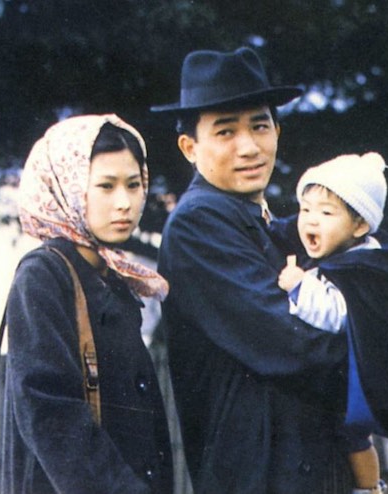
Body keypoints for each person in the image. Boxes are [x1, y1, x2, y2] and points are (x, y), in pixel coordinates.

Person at [151, 46, 354, 493]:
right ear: (189, 147)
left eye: (260, 125)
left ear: (277, 131)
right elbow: (289, 343)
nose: (248, 147)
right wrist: (384, 365)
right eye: (225, 131)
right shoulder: (197, 224)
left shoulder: (262, 220)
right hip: (257, 477)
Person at [1, 114, 174, 494]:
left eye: (133, 185)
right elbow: (49, 410)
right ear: (68, 188)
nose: (124, 203)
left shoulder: (109, 272)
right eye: (106, 187)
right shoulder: (44, 274)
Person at [276, 152, 388, 494]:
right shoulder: (359, 255)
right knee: (354, 437)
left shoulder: (362, 271)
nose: (310, 221)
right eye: (305, 210)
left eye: (326, 213)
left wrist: (299, 287)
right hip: (353, 380)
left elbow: (340, 315)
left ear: (359, 225)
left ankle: (370, 489)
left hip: (359, 384)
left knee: (354, 437)